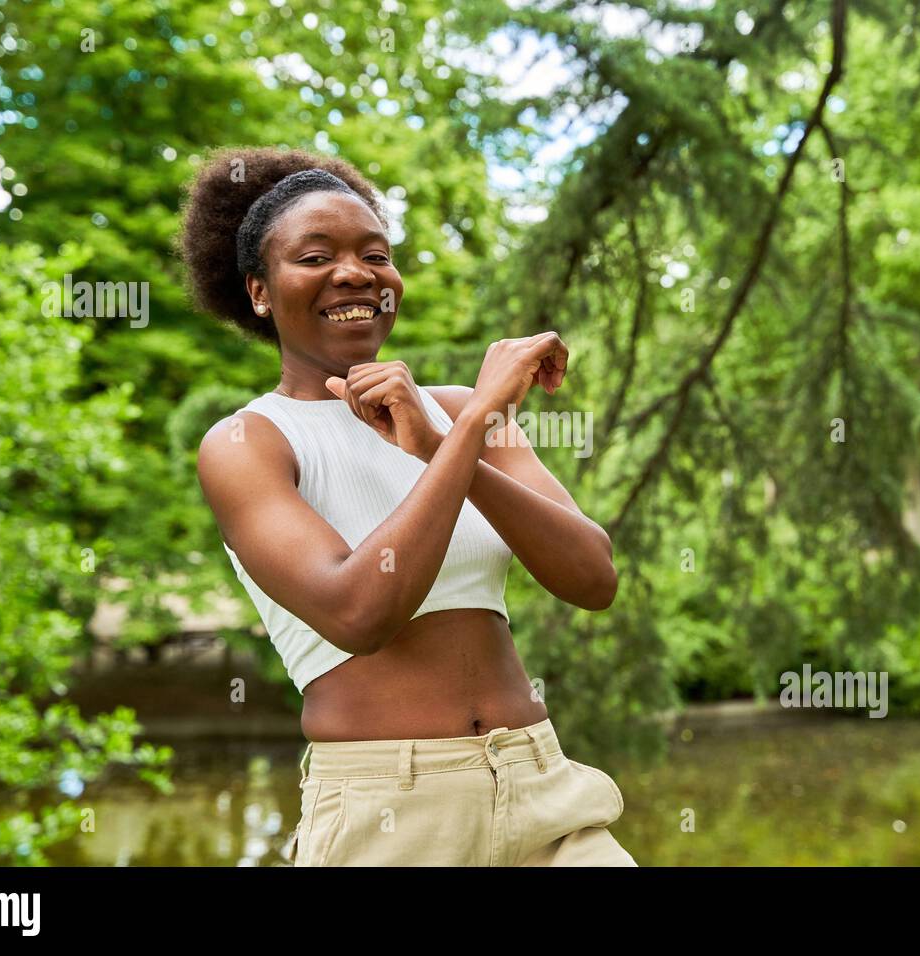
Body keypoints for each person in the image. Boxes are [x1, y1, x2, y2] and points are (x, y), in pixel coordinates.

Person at [178, 147, 636, 866]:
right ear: (260, 292)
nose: (356, 271)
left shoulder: (455, 413)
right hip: (387, 813)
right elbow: (359, 614)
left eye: (376, 253)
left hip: (542, 788)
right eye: (316, 255)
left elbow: (592, 577)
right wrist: (475, 420)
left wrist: (440, 440)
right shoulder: (247, 442)